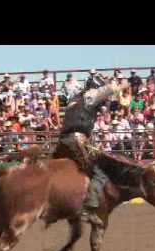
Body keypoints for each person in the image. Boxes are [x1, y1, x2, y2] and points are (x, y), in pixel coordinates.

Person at [53, 78, 129, 225]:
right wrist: (123, 85)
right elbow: (108, 89)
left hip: (63, 141)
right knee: (96, 172)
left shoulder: (73, 101)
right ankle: (89, 210)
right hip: (77, 140)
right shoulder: (90, 95)